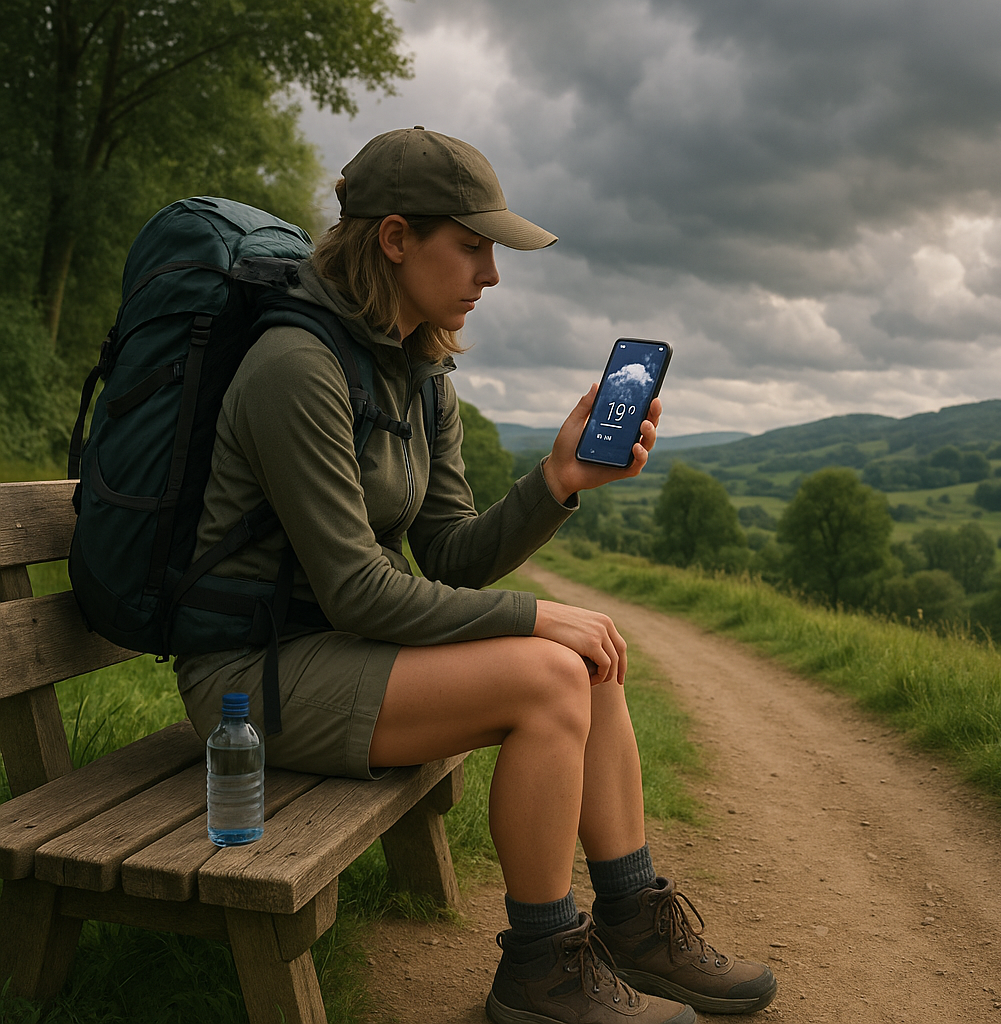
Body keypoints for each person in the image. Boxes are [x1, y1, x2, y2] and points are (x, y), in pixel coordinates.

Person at [175, 126, 777, 1024]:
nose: (491, 274)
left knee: (591, 659)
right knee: (546, 673)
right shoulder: (294, 367)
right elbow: (358, 590)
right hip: (251, 684)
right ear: (394, 238)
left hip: (343, 654)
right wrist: (534, 617)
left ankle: (631, 922)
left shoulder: (421, 372)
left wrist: (558, 480)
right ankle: (538, 970)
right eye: (471, 246)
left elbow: (449, 552)